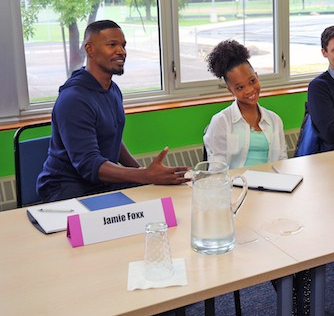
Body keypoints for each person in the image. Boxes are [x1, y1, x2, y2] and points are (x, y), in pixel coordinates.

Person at [37, 20, 190, 202]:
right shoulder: (73, 100)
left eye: (123, 45)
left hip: (101, 183)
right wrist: (146, 176)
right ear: (90, 49)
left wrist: (143, 172)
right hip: (67, 188)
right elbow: (89, 164)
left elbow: (112, 137)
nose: (121, 51)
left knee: (164, 198)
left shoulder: (112, 89)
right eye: (112, 45)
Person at [203, 39, 287, 169]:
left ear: (257, 76)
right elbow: (217, 170)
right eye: (240, 88)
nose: (249, 90)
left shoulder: (275, 120)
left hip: (271, 185)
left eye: (252, 81)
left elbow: (282, 163)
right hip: (236, 187)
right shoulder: (221, 121)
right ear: (230, 90)